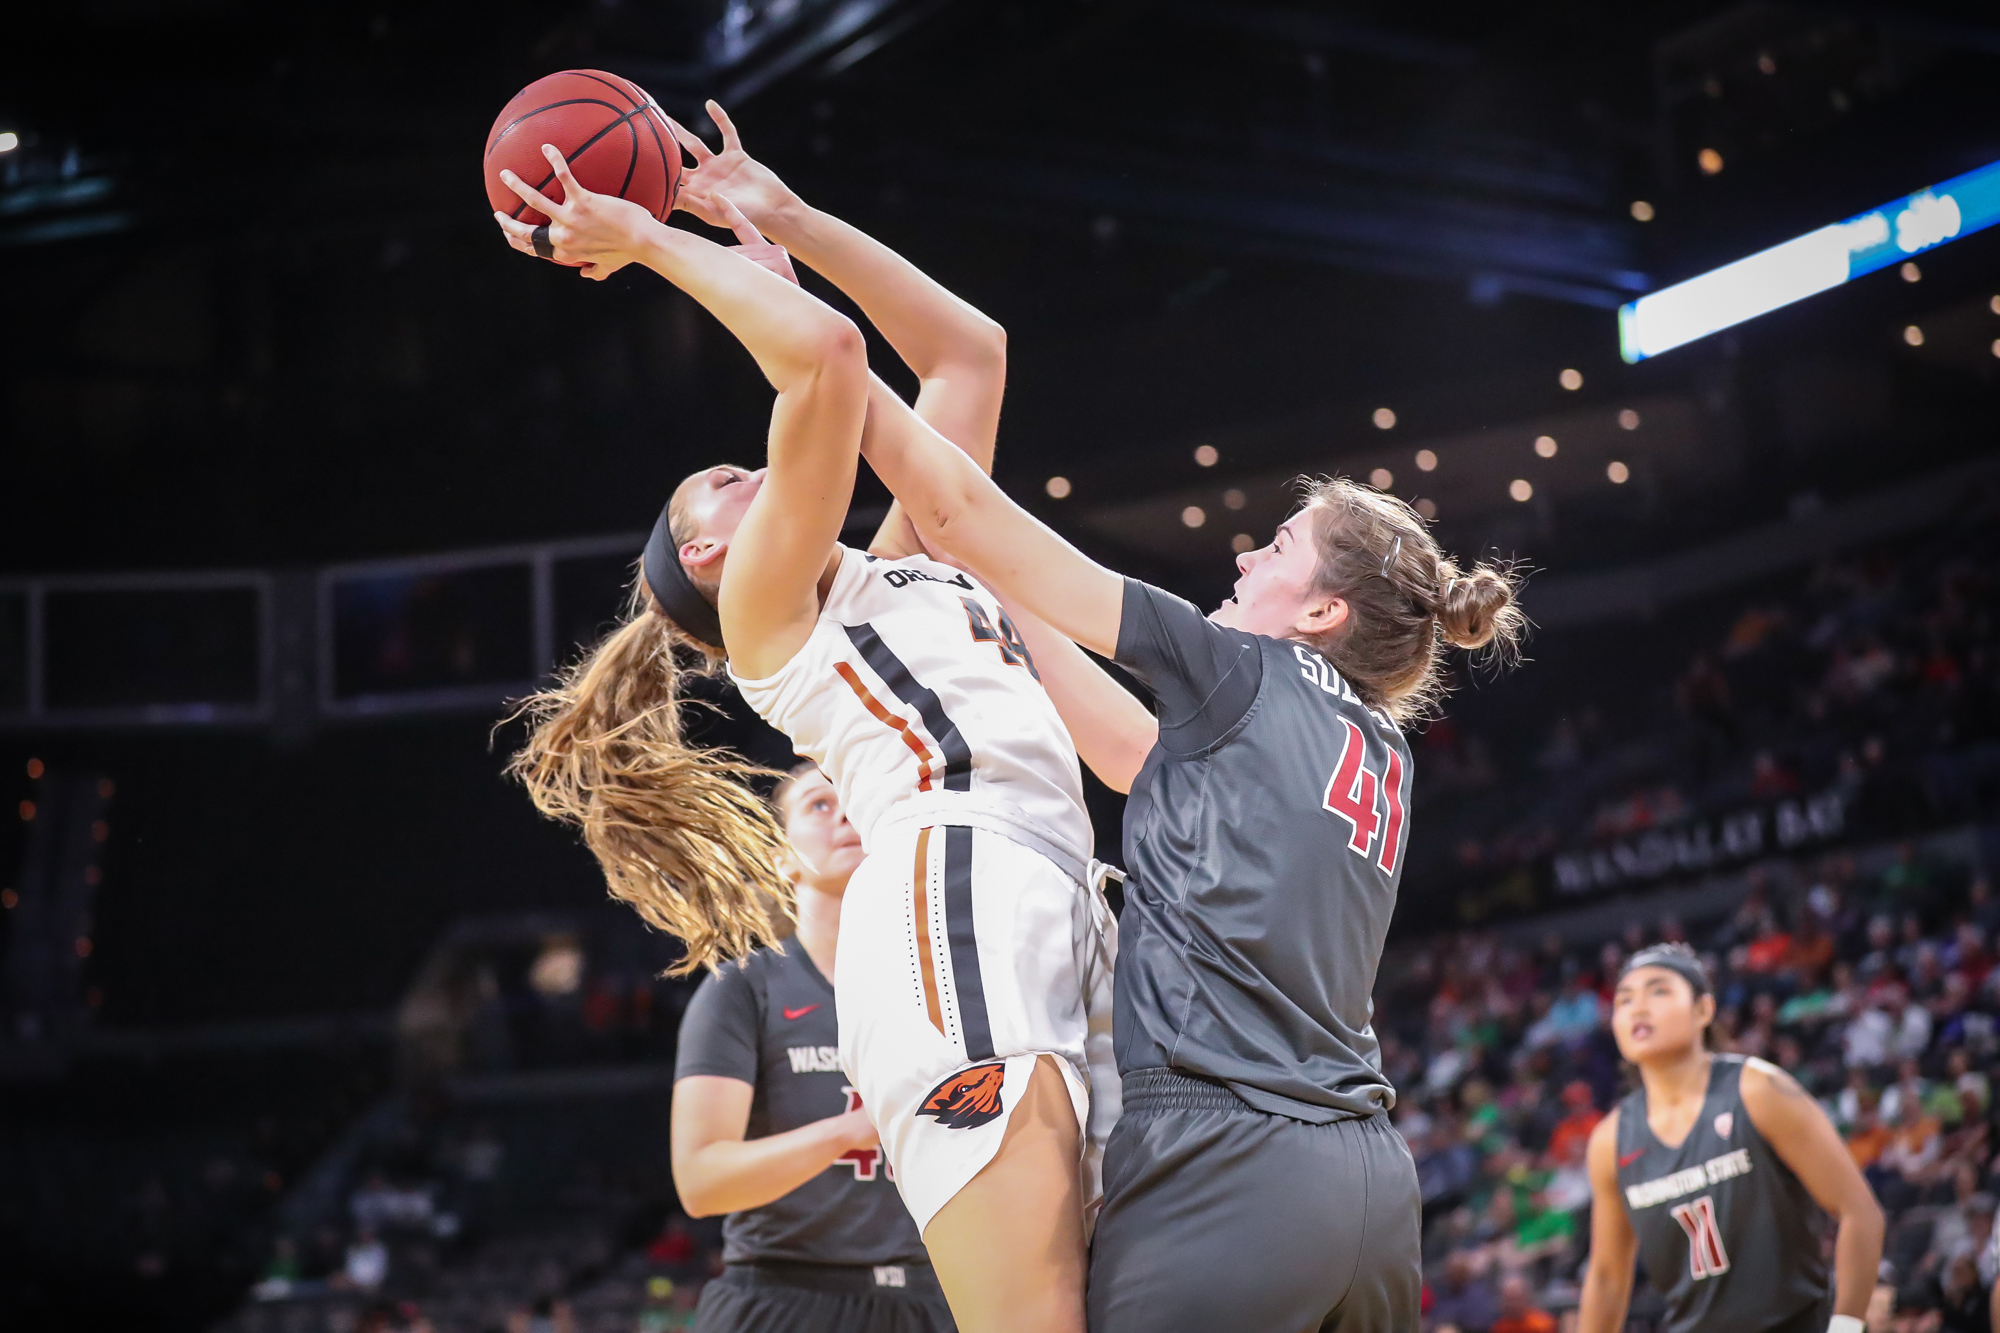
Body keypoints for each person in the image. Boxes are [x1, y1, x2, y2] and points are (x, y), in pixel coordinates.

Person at [499, 105, 1114, 1333]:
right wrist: (655, 238)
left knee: (1110, 1282)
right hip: (954, 870)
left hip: (1061, 878)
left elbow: (970, 358)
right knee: (1033, 1311)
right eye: (717, 482)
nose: (742, 466)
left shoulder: (906, 554)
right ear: (709, 556)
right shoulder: (772, 610)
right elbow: (825, 359)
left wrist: (778, 216)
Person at [856, 358, 1526, 1329]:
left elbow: (956, 506)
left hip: (1224, 1166)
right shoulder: (1377, 745)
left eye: (1278, 548)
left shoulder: (1240, 669)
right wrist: (998, 599)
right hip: (1370, 1188)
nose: (1247, 558)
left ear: (1319, 612)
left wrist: (828, 369)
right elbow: (1136, 754)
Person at [672, 764, 955, 1332]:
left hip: (937, 1298)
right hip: (783, 1297)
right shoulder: (743, 988)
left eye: (855, 798)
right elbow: (701, 1181)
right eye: (820, 805)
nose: (845, 814)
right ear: (781, 855)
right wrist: (855, 1129)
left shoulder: (950, 985)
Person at [1576, 944, 1886, 1333]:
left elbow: (1860, 1212)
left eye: (1658, 991)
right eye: (1624, 1000)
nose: (1638, 1007)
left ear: (1703, 1010)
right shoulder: (1610, 1141)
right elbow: (1606, 1277)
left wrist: (1846, 1327)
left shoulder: (1759, 1091)